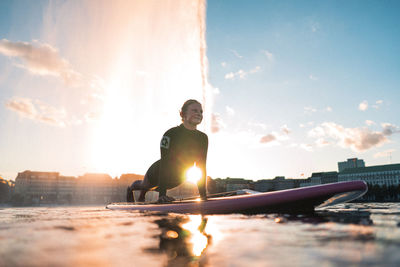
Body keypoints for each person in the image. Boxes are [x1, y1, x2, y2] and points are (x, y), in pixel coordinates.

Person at [127, 99, 208, 203]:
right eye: (194, 110)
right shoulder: (170, 134)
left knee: (154, 188)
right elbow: (165, 164)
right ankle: (131, 189)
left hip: (178, 177)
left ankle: (144, 194)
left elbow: (201, 167)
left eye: (201, 111)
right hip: (158, 171)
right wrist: (162, 196)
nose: (199, 114)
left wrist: (203, 196)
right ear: (183, 114)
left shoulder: (203, 138)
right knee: (145, 185)